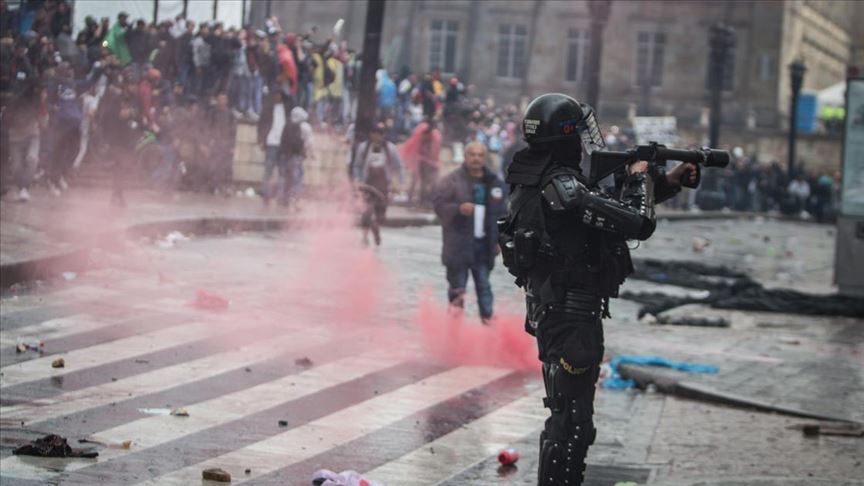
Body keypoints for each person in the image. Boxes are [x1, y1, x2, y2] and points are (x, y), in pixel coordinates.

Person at [498, 93, 696, 485]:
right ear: (566, 135)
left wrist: (667, 182)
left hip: (556, 312)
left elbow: (603, 212)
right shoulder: (563, 187)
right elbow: (637, 222)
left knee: (566, 418)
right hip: (571, 320)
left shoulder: (538, 177)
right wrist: (639, 174)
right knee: (571, 426)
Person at [432, 141, 506, 323]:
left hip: (483, 245)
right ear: (465, 157)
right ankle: (455, 329)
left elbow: (502, 215)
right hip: (458, 245)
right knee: (457, 290)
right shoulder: (451, 180)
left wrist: (500, 240)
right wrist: (458, 209)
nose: (476, 158)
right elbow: (439, 205)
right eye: (472, 154)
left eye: (480, 155)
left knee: (484, 287)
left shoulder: (494, 183)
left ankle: (488, 326)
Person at [351, 123, 403, 246]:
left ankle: (376, 227)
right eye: (375, 133)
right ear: (371, 134)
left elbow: (399, 167)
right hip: (367, 186)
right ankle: (364, 237)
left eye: (380, 134)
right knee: (366, 212)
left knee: (380, 214)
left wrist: (399, 183)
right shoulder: (363, 148)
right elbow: (357, 166)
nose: (377, 136)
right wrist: (357, 179)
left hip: (383, 187)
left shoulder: (391, 149)